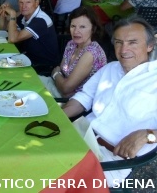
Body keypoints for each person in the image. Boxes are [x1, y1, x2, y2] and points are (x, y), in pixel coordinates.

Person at [62, 16, 157, 186]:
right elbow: (83, 98)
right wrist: (57, 118)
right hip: (81, 136)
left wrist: (148, 135)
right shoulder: (110, 68)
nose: (123, 49)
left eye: (133, 42)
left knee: (47, 178)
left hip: (111, 160)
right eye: (119, 42)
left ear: (150, 46)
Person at [39, 6, 107, 98]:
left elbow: (66, 88)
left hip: (73, 101)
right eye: (73, 26)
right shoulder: (72, 44)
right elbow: (62, 72)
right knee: (29, 81)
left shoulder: (91, 53)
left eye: (82, 27)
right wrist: (60, 79)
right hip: (58, 89)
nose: (76, 31)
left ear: (93, 29)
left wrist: (55, 74)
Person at [0, 0, 59, 70]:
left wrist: (12, 14)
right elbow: (3, 28)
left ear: (36, 3)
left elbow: (12, 39)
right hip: (27, 58)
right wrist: (3, 12)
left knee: (1, 66)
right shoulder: (25, 15)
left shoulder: (40, 20)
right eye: (21, 2)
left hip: (42, 66)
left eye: (28, 2)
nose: (24, 6)